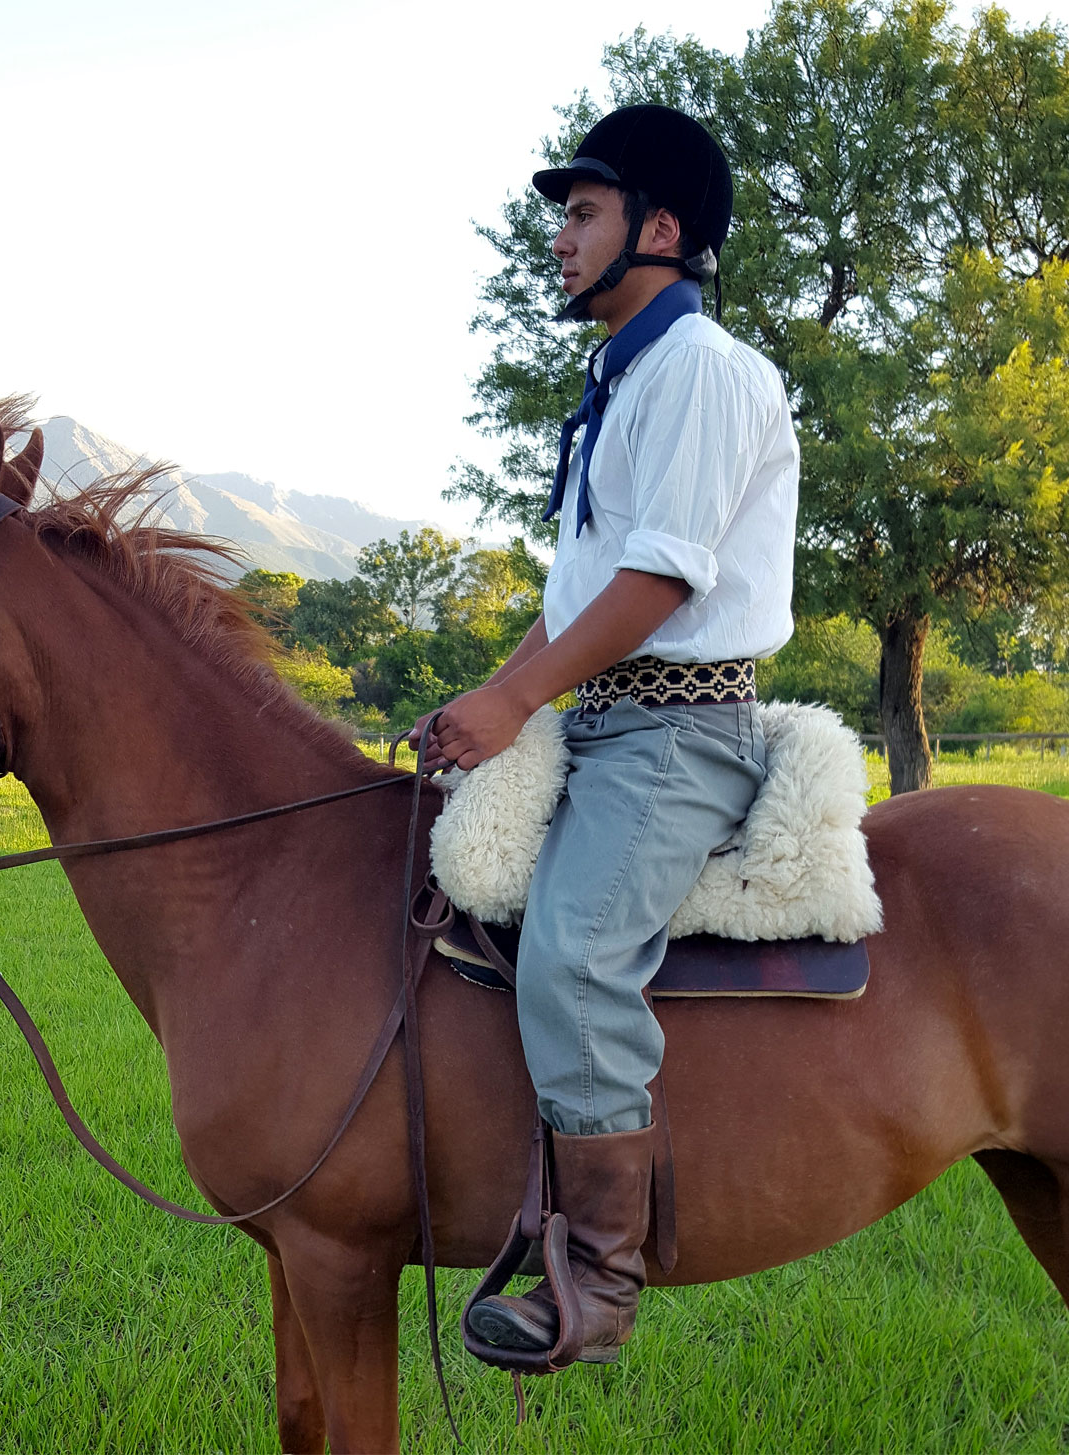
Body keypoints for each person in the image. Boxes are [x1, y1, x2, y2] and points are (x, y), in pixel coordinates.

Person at [411, 104, 799, 1364]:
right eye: (565, 217)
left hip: (680, 736)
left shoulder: (703, 372)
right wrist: (489, 699)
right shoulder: (622, 376)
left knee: (575, 955)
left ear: (662, 229)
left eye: (582, 213)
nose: (560, 240)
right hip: (604, 723)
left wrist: (521, 702)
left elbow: (660, 586)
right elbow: (576, 603)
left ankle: (599, 1277)